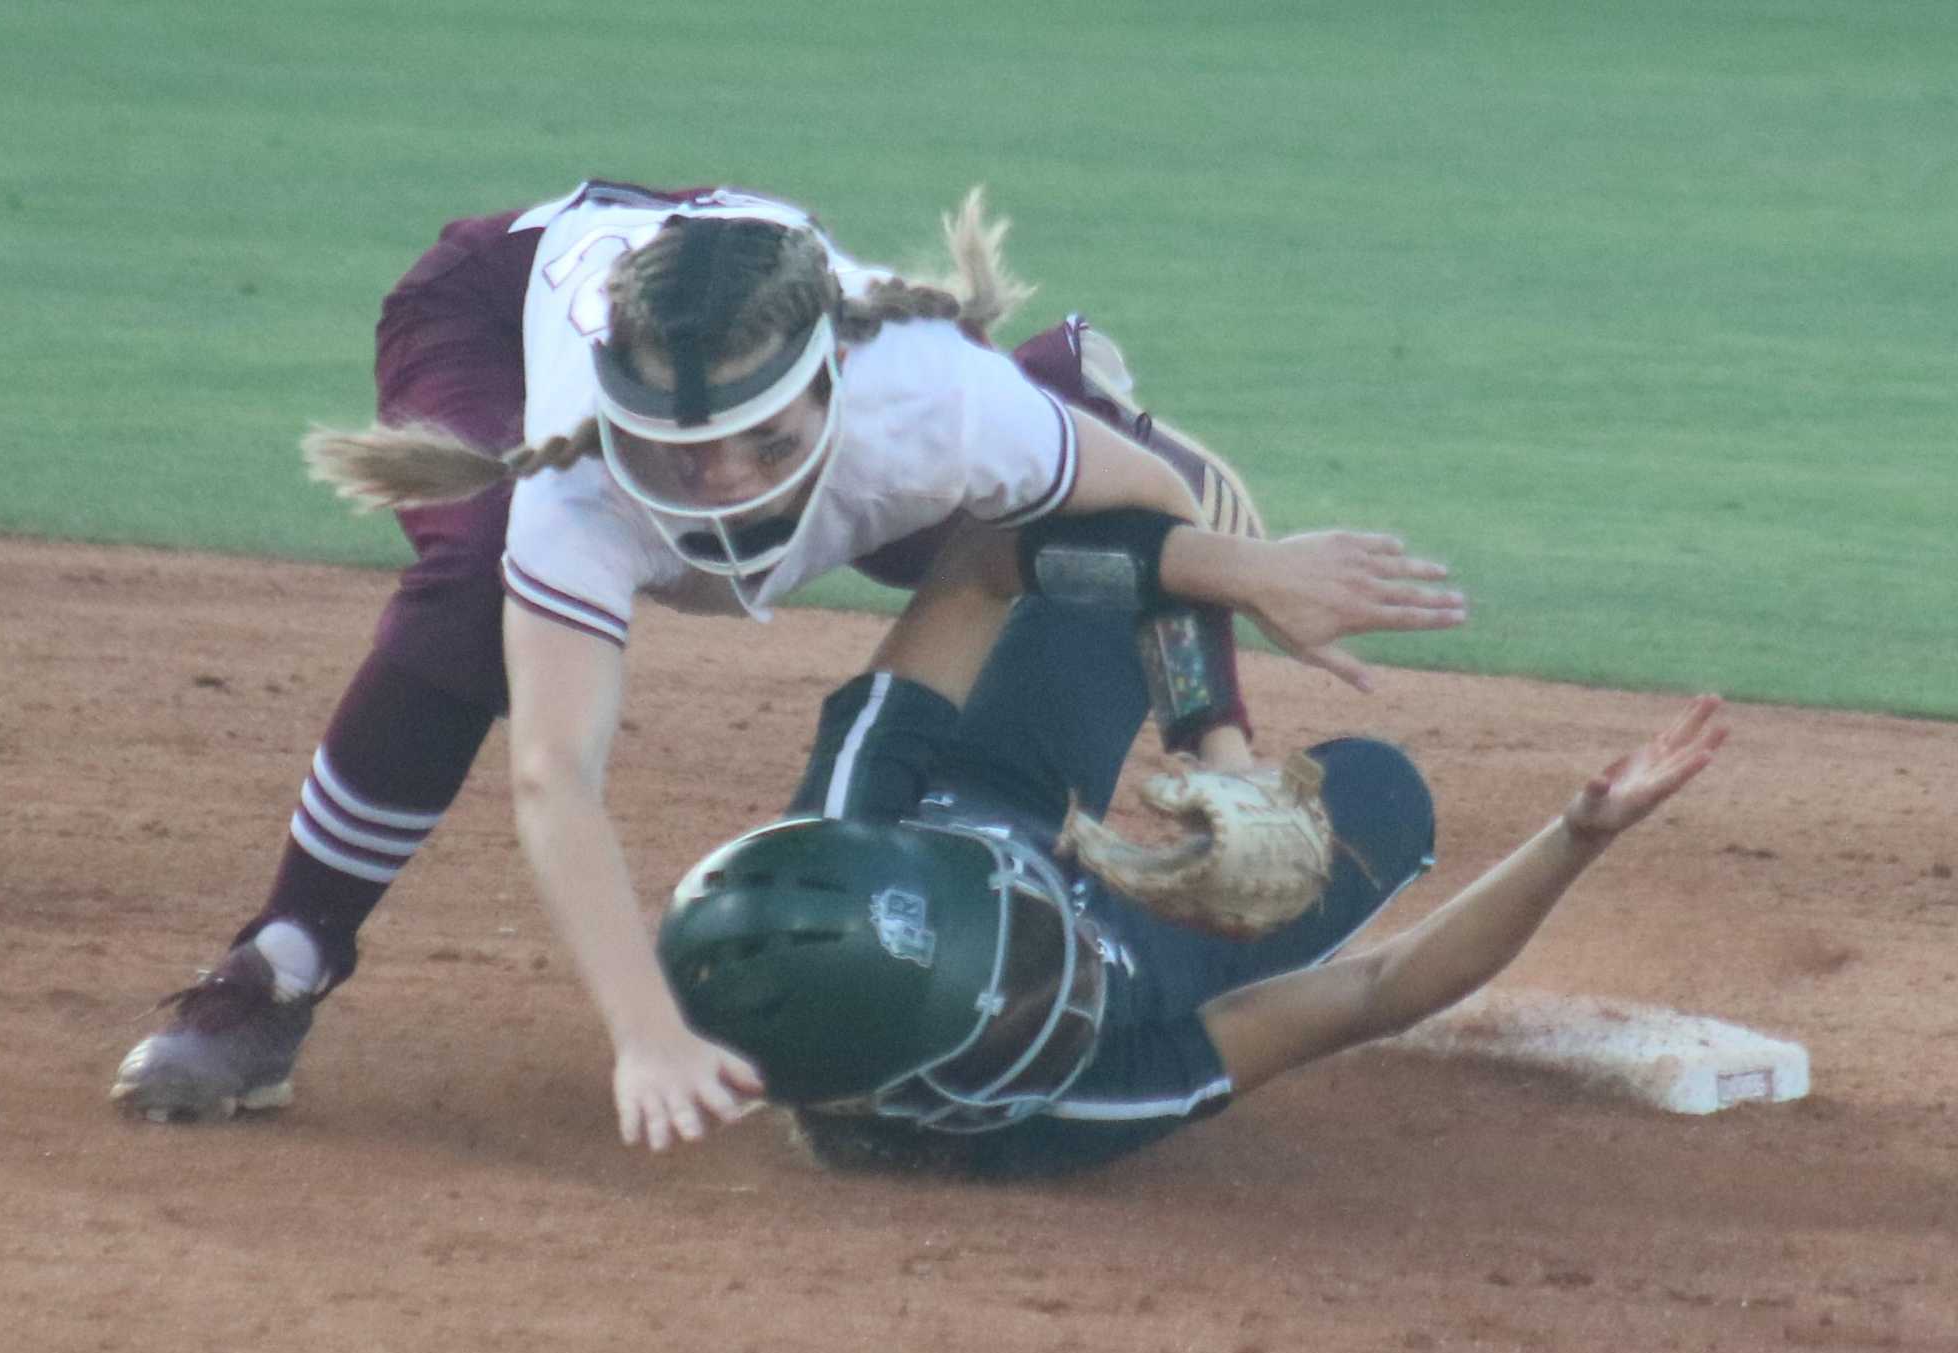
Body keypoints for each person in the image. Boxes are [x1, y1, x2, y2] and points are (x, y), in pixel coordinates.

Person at [110, 176, 1468, 1144]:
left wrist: (1214, 741)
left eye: (755, 438)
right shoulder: (578, 486)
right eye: (674, 448)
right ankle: (280, 963)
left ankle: (1065, 383)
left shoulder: (925, 399)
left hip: (887, 432)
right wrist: (645, 1028)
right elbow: (554, 781)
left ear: (823, 385)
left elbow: (1146, 509)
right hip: (495, 306)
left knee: (1054, 495)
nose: (710, 479)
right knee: (475, 584)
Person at [655, 522, 1728, 1177]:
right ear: (974, 1086)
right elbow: (1373, 991)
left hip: (983, 796)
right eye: (1036, 969)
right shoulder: (1084, 1100)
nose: (1068, 917)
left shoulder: (853, 811)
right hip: (1158, 957)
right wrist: (1573, 836)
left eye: (1035, 914)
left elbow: (987, 559)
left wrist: (1211, 733)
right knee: (1378, 793)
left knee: (1113, 561)